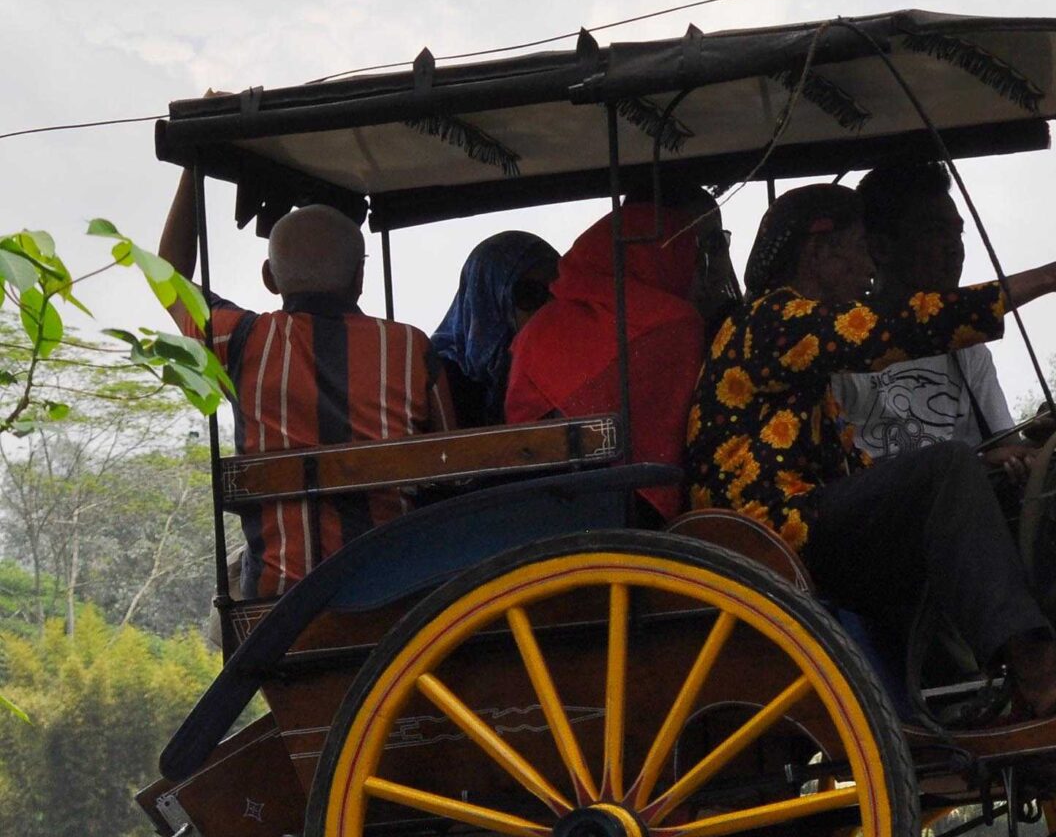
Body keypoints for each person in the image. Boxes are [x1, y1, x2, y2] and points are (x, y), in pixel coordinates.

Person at [683, 167, 1056, 716]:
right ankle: (1034, 668)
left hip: (808, 521)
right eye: (859, 251)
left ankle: (993, 679)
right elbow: (906, 325)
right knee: (945, 465)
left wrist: (990, 461)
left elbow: (854, 468)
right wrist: (1050, 277)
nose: (871, 269)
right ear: (818, 253)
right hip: (769, 534)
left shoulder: (793, 338)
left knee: (989, 481)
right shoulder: (773, 320)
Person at [155, 168, 453, 598]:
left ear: (269, 278)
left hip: (281, 600)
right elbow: (450, 464)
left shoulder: (237, 340)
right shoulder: (411, 348)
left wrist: (192, 169)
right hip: (397, 591)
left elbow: (165, 272)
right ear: (359, 277)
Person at [506, 191, 714, 523]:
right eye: (692, 259)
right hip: (633, 509)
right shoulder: (676, 324)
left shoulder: (537, 328)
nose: (699, 279)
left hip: (532, 507)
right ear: (661, 257)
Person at [831, 169, 1013, 460]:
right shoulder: (839, 339)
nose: (955, 249)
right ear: (881, 248)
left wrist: (1032, 447)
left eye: (958, 233)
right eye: (935, 232)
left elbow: (1005, 445)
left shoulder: (968, 349)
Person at [430, 229, 558, 425]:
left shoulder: (565, 365)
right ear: (488, 298)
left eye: (558, 290)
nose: (549, 306)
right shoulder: (438, 378)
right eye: (530, 294)